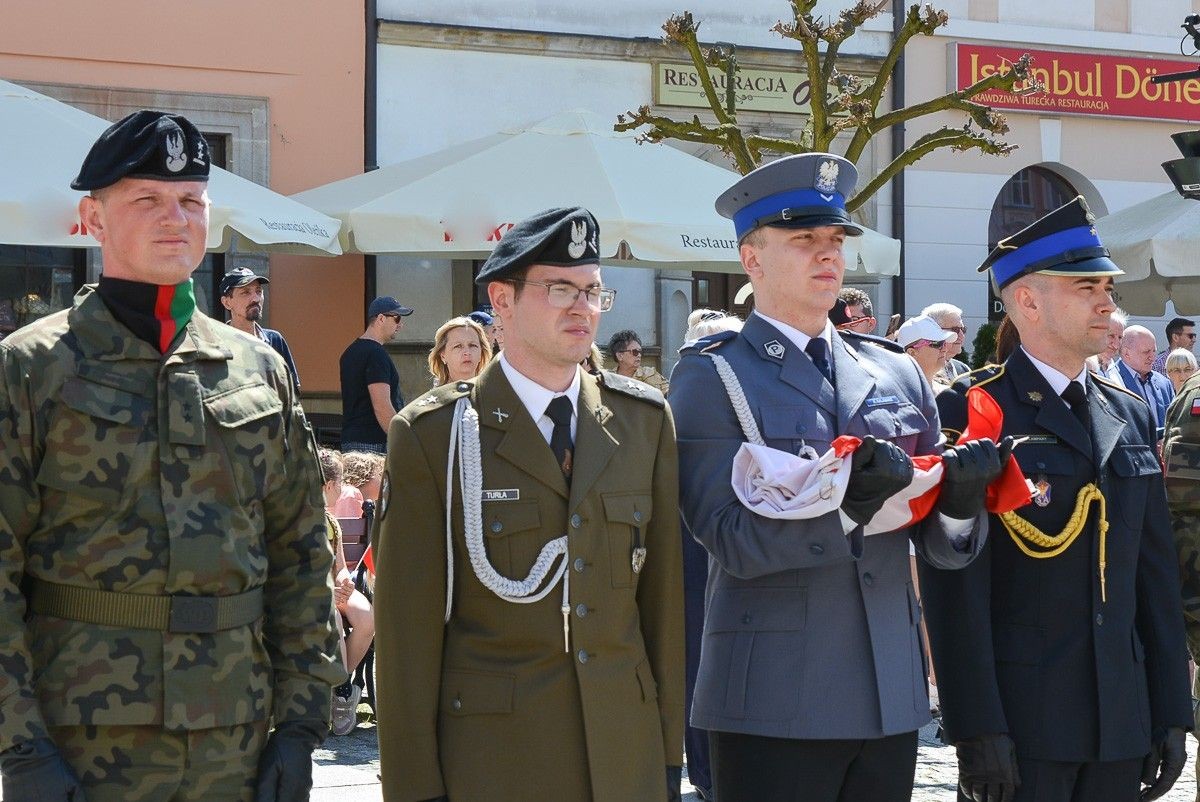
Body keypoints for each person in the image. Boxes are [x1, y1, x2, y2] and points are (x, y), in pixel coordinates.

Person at [0, 110, 342, 802]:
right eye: (147, 200)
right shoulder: (32, 366)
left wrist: (301, 724)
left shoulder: (256, 368)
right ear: (92, 220)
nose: (174, 219)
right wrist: (20, 744)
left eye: (190, 202)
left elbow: (300, 550)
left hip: (236, 734)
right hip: (85, 735)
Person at [670, 152, 1000, 802]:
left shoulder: (895, 371)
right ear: (753, 259)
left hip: (888, 692)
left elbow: (938, 544)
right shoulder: (715, 377)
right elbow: (729, 537)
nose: (828, 256)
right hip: (772, 697)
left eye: (836, 240)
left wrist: (958, 506)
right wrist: (847, 508)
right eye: (803, 241)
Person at [374, 206, 684, 802]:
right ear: (503, 301)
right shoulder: (435, 433)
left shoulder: (642, 421)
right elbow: (406, 633)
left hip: (625, 756)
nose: (582, 307)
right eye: (559, 288)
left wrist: (667, 756)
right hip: (496, 762)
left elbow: (662, 607)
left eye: (593, 292)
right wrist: (414, 785)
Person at [918, 196, 1192, 802]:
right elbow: (955, 584)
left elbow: (1153, 574)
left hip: (1119, 719)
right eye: (1084, 286)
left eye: (1107, 287)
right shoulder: (972, 409)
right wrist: (974, 725)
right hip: (1023, 725)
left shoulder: (1123, 409)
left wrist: (1171, 707)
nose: (1106, 302)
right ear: (1028, 301)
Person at [675, 309, 743, 802]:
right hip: (691, 553)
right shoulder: (671, 405)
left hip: (752, 552)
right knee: (698, 659)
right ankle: (707, 774)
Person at [318, 449, 376, 737]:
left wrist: (345, 582)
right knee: (336, 623)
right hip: (314, 592)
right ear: (329, 485)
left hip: (333, 588)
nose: (342, 490)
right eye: (340, 484)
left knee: (366, 617)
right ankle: (341, 691)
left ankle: (337, 689)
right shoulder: (300, 522)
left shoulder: (332, 523)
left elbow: (340, 567)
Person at [340, 296, 412, 454]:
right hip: (373, 445)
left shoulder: (349, 353)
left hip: (351, 442)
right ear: (381, 318)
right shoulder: (375, 354)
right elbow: (382, 406)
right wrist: (403, 440)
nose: (400, 325)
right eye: (397, 318)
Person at [220, 266, 301, 390]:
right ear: (227, 302)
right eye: (245, 292)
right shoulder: (216, 344)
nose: (256, 299)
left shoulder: (274, 340)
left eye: (259, 291)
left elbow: (292, 392)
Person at [1118, 325, 1175, 432]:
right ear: (1126, 353)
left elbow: (1173, 421)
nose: (1152, 357)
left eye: (1154, 351)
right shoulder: (1112, 380)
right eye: (1146, 352)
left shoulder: (1164, 383)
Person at [427, 315, 492, 386]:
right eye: (458, 346)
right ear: (443, 356)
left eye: (472, 345)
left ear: (481, 353)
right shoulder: (435, 396)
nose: (467, 352)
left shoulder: (494, 394)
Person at [897, 315, 955, 391]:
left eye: (944, 343)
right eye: (937, 344)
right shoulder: (897, 394)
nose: (945, 349)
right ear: (912, 353)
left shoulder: (948, 393)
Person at [607, 329, 670, 393]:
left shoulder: (648, 373)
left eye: (640, 351)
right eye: (635, 352)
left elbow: (670, 394)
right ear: (620, 356)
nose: (639, 355)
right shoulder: (608, 378)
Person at [922, 303, 970, 381]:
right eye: (955, 330)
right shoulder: (919, 372)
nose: (962, 336)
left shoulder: (963, 370)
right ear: (934, 331)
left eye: (963, 330)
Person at [1085, 308, 1127, 382]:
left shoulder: (1114, 369)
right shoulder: (1084, 368)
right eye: (1111, 336)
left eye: (1120, 337)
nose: (1116, 345)